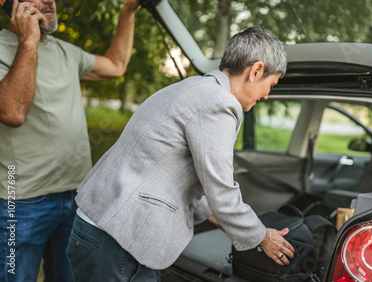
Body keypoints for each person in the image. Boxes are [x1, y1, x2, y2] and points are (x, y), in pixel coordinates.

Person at [66, 26, 295, 281]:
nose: (267, 95)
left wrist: (223, 219)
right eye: (271, 85)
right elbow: (222, 192)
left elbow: (179, 172)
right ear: (256, 71)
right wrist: (262, 237)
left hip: (103, 228)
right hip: (115, 239)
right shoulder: (219, 102)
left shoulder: (193, 87)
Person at [0, 0, 141, 281]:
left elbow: (116, 64)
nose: (49, 1)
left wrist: (127, 12)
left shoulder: (66, 51)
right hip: (20, 202)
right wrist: (29, 41)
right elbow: (13, 112)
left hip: (78, 196)